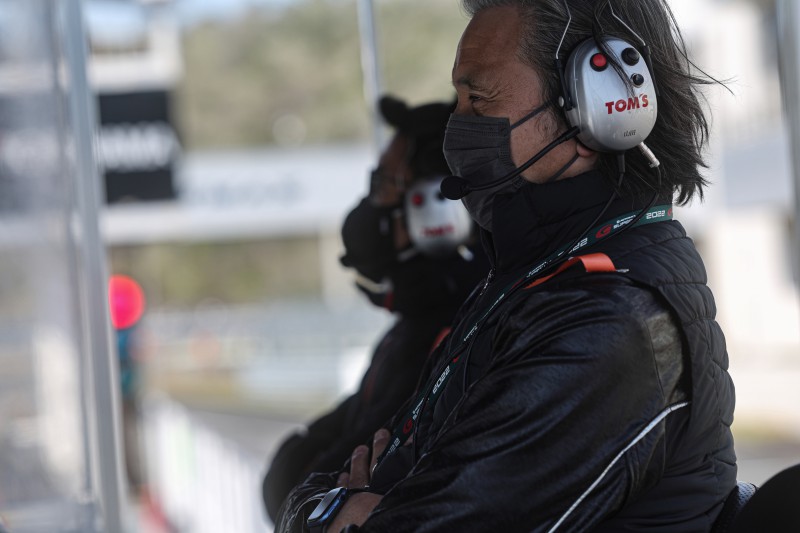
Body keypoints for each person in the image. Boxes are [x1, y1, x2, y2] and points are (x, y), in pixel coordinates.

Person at [276, 1, 738, 531]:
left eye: (479, 99)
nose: (457, 126)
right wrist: (335, 506)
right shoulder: (526, 281)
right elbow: (342, 484)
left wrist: (338, 507)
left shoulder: (610, 322)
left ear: (600, 105)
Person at [262, 95, 489, 521]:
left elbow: (341, 467)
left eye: (386, 187)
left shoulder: (457, 329)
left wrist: (296, 487)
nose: (374, 208)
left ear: (439, 208)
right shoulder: (416, 326)